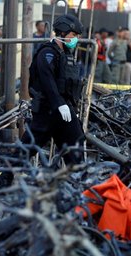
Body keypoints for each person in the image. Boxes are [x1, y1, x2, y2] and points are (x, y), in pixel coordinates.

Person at [24, 14, 85, 164]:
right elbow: (47, 81)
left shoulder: (64, 54)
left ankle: (78, 178)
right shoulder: (47, 53)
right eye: (74, 35)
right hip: (48, 108)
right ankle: (5, 177)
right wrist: (59, 104)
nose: (76, 38)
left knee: (74, 143)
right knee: (29, 146)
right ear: (63, 33)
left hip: (63, 109)